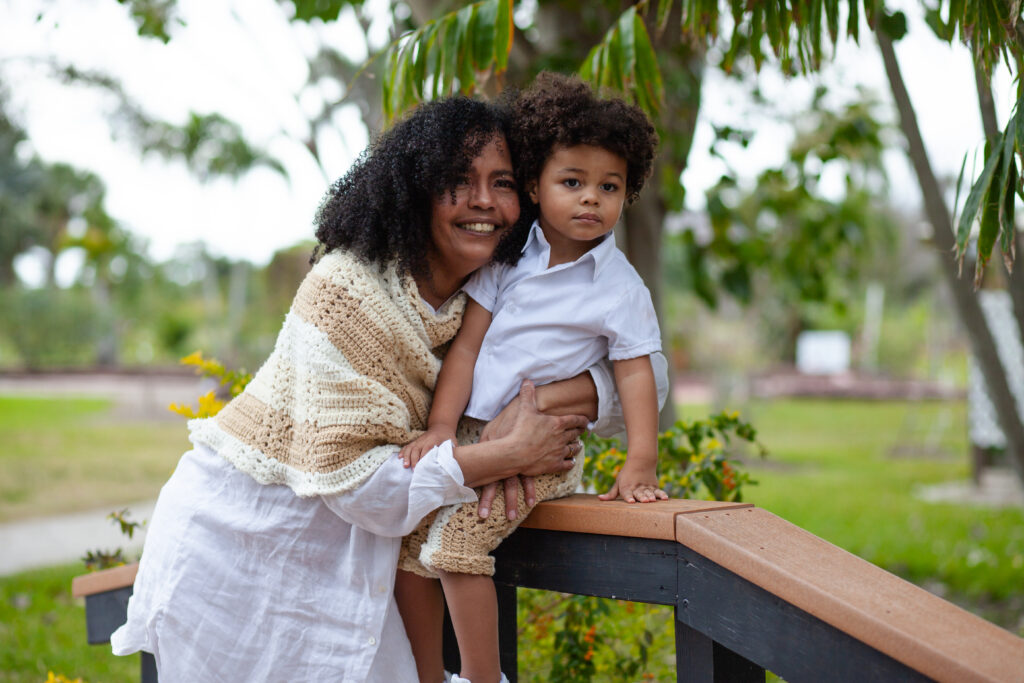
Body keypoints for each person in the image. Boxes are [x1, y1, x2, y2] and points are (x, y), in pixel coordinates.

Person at [109, 95, 624, 682]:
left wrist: (546, 403)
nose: (484, 200)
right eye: (459, 179)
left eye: (502, 182)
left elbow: (640, 377)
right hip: (243, 550)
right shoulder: (346, 292)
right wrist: (501, 455)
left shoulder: (504, 290)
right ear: (416, 191)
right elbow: (358, 487)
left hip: (359, 558)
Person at [396, 72, 667, 683]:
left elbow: (636, 374)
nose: (591, 199)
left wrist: (640, 460)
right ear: (538, 189)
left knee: (457, 547)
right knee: (409, 546)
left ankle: (484, 678)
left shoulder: (619, 287)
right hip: (468, 434)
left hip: (540, 451)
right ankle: (425, 677)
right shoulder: (511, 259)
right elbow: (465, 350)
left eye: (609, 187)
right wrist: (441, 426)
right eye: (572, 183)